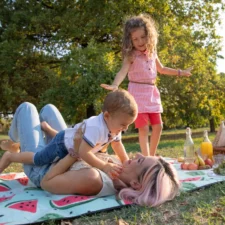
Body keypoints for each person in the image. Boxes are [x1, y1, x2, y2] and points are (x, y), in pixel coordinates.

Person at [0, 101, 180, 207]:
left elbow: (47, 182)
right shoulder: (117, 168)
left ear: (135, 184)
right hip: (62, 153)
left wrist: (75, 152)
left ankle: (15, 144)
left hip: (41, 168)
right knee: (49, 110)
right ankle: (21, 143)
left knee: (27, 108)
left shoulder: (94, 179)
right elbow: (85, 149)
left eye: (140, 162)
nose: (138, 155)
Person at [101, 14, 193, 156]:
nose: (140, 41)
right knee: (143, 128)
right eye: (135, 39)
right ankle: (146, 156)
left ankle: (152, 155)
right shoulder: (130, 54)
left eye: (143, 37)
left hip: (152, 91)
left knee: (158, 125)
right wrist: (115, 84)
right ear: (130, 40)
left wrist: (181, 72)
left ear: (149, 35)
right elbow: (122, 71)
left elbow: (162, 69)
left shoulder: (152, 52)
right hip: (137, 93)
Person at [0, 90, 138, 179]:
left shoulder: (114, 127)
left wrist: (125, 162)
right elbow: (84, 153)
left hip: (68, 138)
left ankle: (45, 129)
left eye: (128, 125)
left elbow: (117, 144)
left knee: (58, 124)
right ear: (107, 116)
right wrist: (103, 166)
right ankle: (10, 156)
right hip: (61, 146)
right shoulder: (96, 127)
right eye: (123, 124)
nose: (125, 128)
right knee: (39, 158)